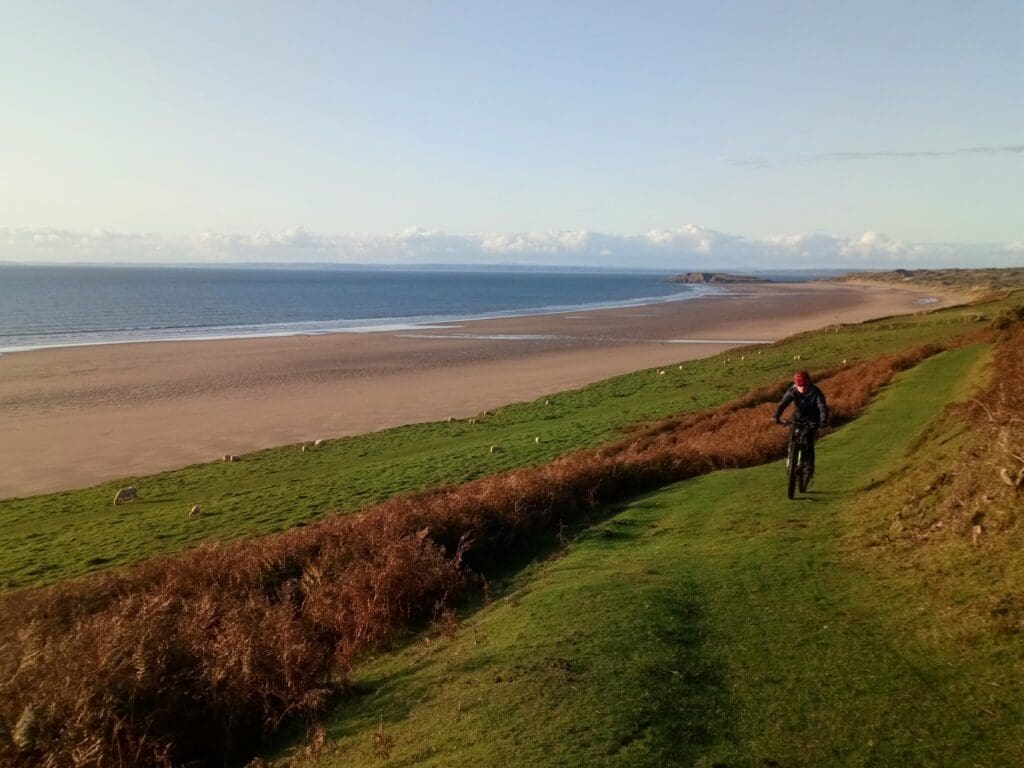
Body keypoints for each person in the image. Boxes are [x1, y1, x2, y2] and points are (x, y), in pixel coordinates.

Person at [772, 370, 829, 478]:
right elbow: (783, 404)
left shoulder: (816, 392)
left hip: (813, 418)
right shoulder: (792, 391)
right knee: (793, 437)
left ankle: (809, 468)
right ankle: (792, 459)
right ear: (796, 384)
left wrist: (823, 420)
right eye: (800, 385)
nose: (802, 388)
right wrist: (776, 416)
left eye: (804, 385)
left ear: (809, 383)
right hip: (798, 417)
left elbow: (822, 406)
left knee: (807, 441)